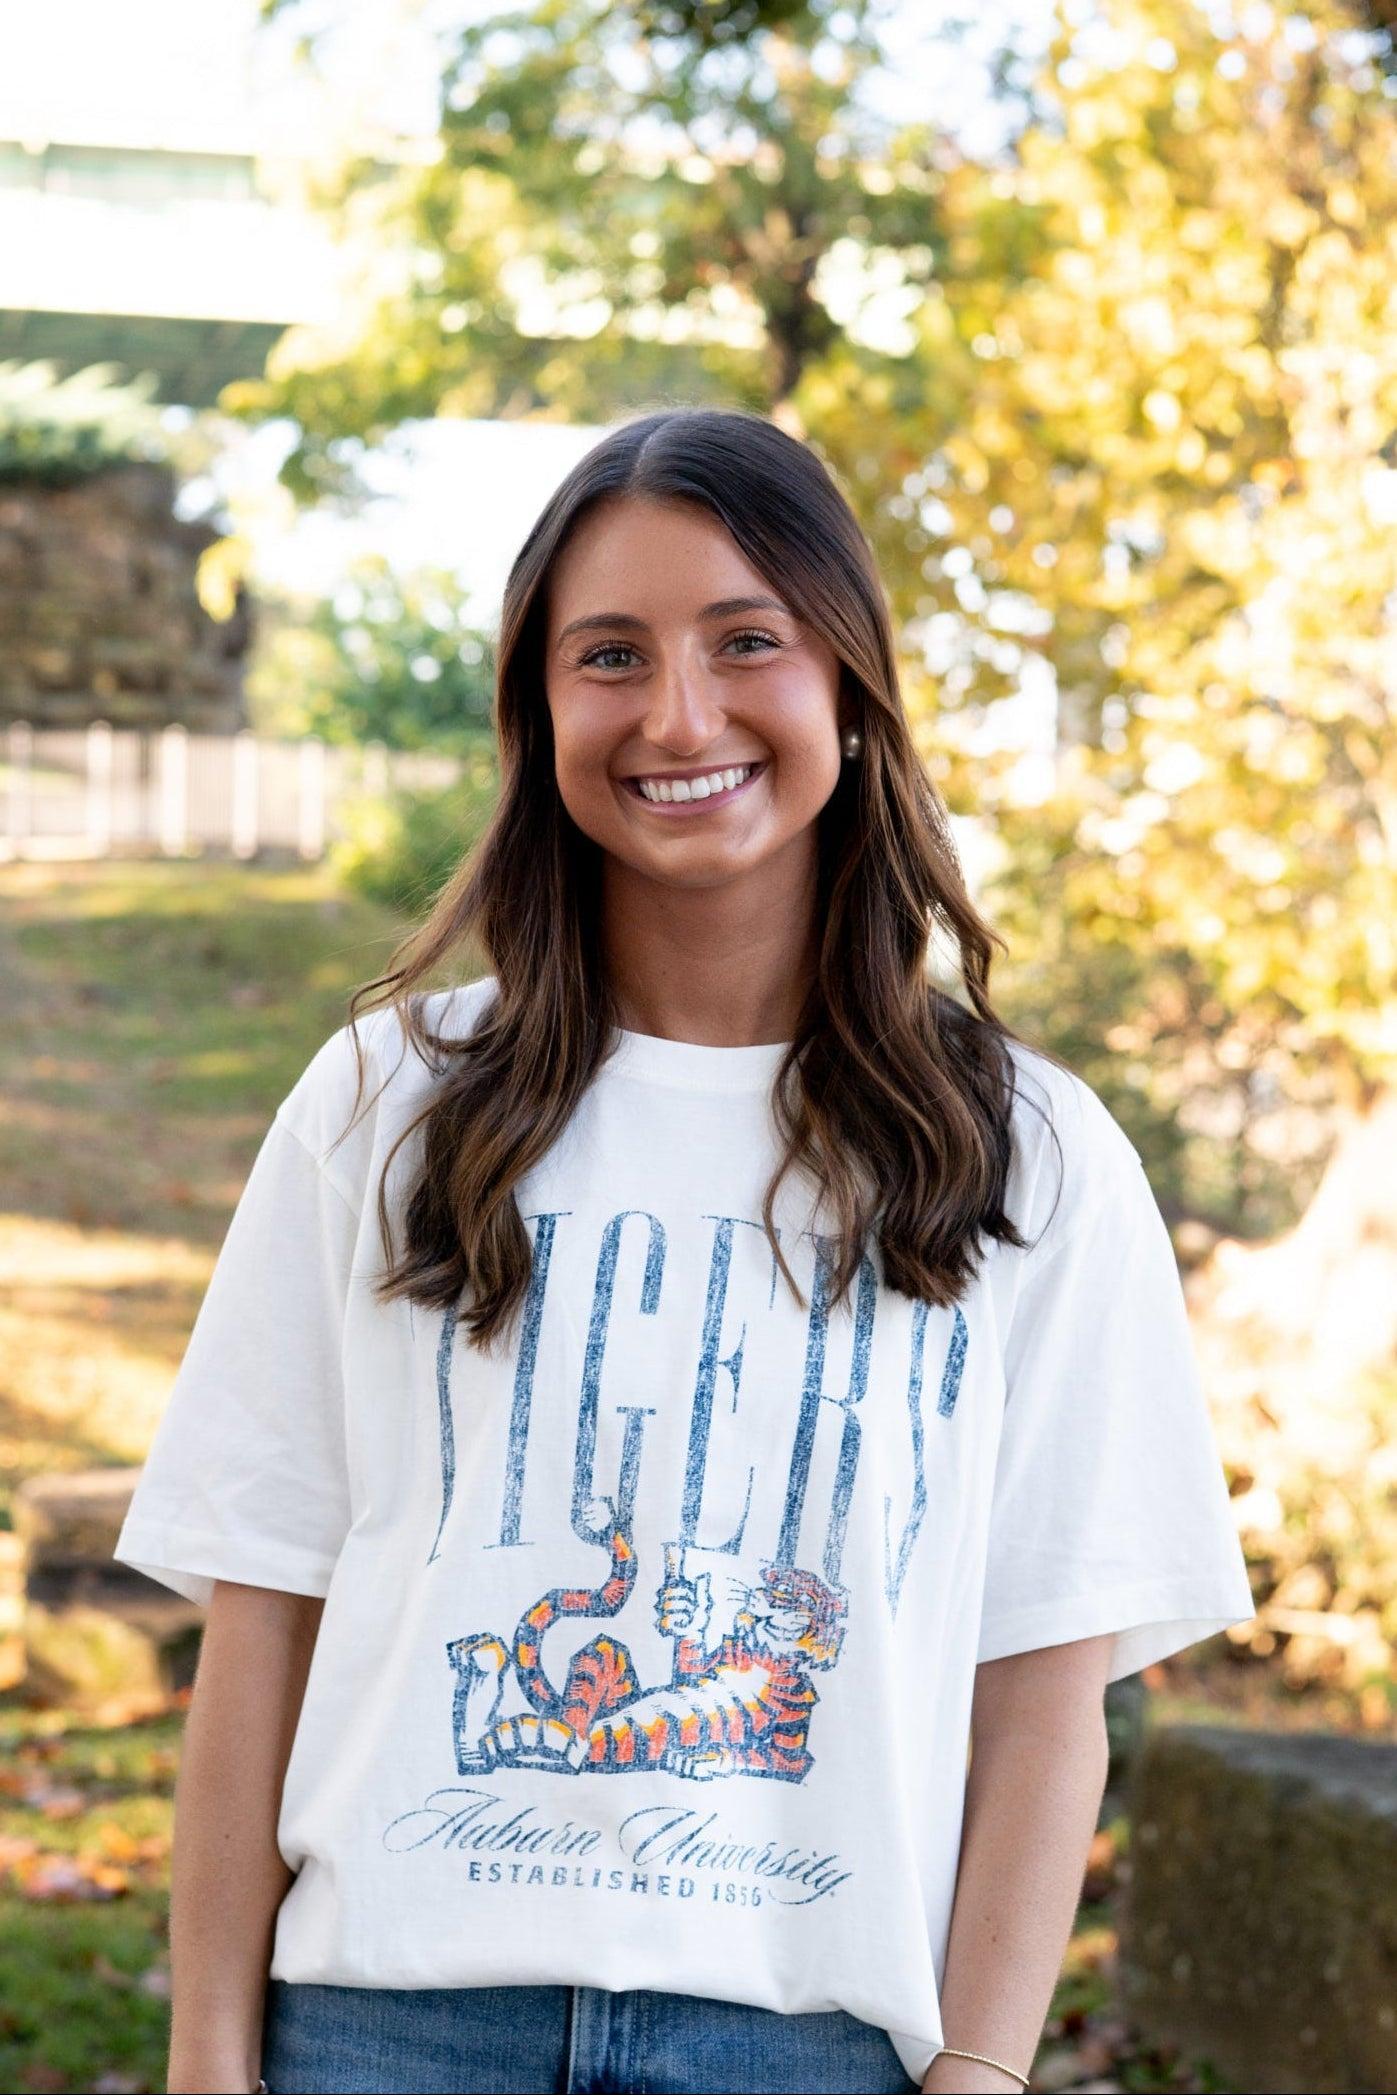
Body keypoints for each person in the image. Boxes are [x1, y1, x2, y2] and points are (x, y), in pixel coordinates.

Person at [114, 406, 1255, 2095]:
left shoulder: (1025, 1153)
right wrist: (210, 2061)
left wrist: (981, 2074)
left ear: (848, 685)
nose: (677, 715)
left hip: (808, 2053)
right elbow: (263, 1608)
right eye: (609, 656)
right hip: (388, 2035)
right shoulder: (386, 1104)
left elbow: (1041, 1695)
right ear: (537, 713)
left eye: (745, 641)